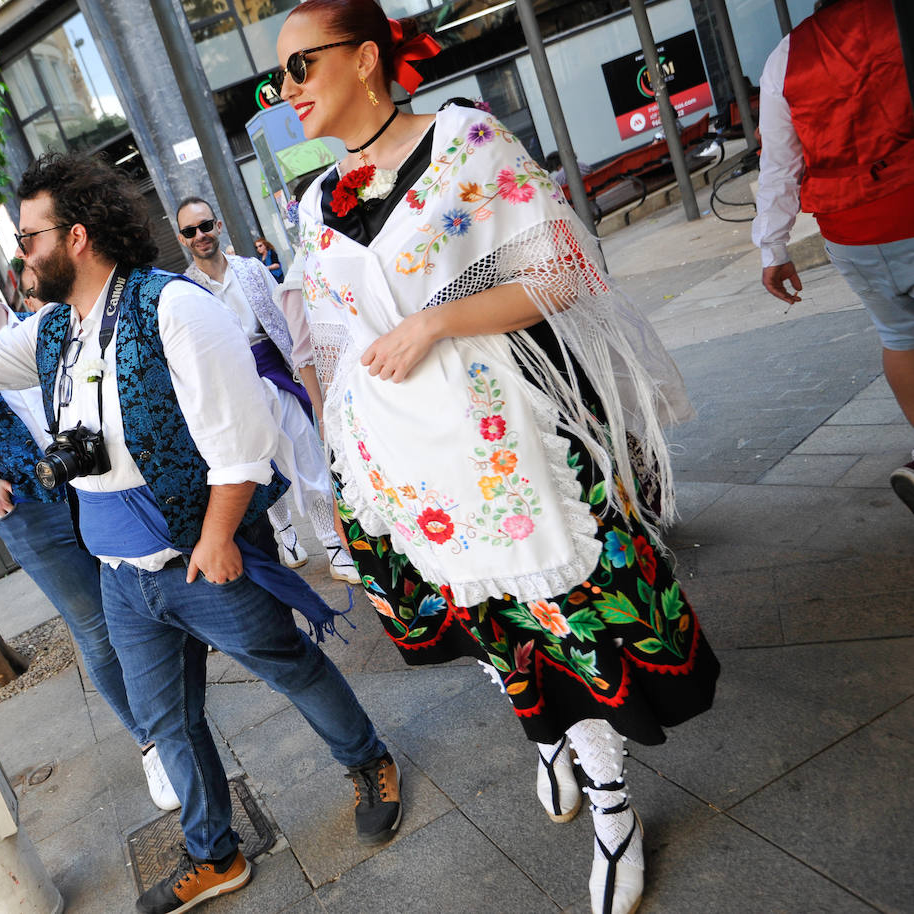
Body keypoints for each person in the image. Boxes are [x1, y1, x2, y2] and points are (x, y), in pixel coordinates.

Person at [0, 152, 402, 914]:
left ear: (75, 237)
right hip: (120, 574)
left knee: (289, 666)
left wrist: (220, 536)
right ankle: (216, 854)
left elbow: (246, 443)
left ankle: (369, 762)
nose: (18, 259)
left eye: (28, 239)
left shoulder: (175, 308)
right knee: (168, 722)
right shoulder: (52, 334)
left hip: (202, 553)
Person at [274, 3, 719, 913]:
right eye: (276, 79)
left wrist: (435, 318)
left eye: (299, 68)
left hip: (502, 439)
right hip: (398, 462)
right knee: (487, 624)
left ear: (365, 60)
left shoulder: (466, 141)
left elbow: (562, 272)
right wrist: (336, 447)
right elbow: (323, 333)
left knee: (568, 622)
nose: (285, 92)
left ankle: (612, 806)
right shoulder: (314, 199)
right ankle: (548, 740)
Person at [0, 223, 178, 814]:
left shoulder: (49, 326)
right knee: (96, 629)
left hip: (102, 488)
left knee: (148, 594)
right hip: (30, 514)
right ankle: (153, 741)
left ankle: (174, 710)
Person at [752, 0, 914, 512]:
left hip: (853, 228)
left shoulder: (785, 56)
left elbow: (779, 162)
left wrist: (773, 247)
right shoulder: (898, 15)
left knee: (900, 335)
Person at [177, 197, 359, 583]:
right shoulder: (184, 289)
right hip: (231, 387)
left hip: (276, 372)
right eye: (191, 231)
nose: (201, 235)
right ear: (182, 238)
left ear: (219, 225)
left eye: (205, 225)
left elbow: (284, 318)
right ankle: (286, 536)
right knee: (260, 463)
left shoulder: (252, 269)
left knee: (306, 453)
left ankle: (332, 545)